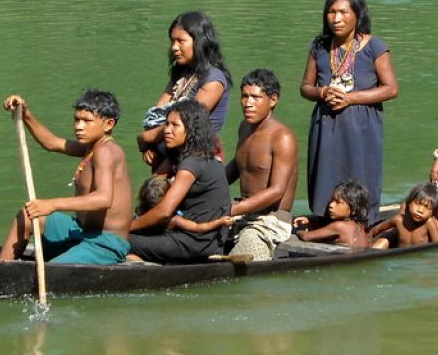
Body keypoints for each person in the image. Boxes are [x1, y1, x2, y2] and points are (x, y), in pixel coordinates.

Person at [0, 90, 133, 265]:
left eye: (87, 121)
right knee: (29, 216)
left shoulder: (106, 151)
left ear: (108, 124)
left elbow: (104, 199)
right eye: (77, 119)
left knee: (53, 272)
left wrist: (52, 204)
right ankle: (3, 268)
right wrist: (25, 114)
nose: (79, 126)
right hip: (80, 230)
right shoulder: (90, 147)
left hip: (104, 243)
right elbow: (52, 143)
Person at [300, 0, 398, 223]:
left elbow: (391, 88)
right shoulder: (319, 48)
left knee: (361, 171)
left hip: (362, 127)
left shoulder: (374, 46)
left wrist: (351, 98)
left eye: (343, 12)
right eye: (331, 12)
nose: (337, 19)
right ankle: (325, 218)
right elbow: (305, 87)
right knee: (325, 171)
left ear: (357, 14)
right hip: (326, 124)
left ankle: (364, 221)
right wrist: (322, 92)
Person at [127, 100, 232, 262]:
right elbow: (154, 183)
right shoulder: (194, 155)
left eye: (174, 126)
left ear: (191, 130)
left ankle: (143, 267)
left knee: (119, 240)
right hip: (199, 239)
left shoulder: (191, 163)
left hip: (195, 242)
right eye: (166, 125)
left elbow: (164, 211)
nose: (167, 131)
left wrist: (128, 227)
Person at [137, 11, 232, 170]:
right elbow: (157, 113)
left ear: (199, 42)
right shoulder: (182, 74)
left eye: (181, 41)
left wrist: (145, 138)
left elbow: (188, 122)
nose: (174, 47)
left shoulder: (214, 79)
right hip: (170, 153)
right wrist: (149, 146)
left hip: (195, 159)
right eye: (172, 41)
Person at [223, 69, 299, 261]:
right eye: (244, 96)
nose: (247, 103)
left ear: (272, 100)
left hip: (271, 220)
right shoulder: (244, 127)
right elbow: (239, 166)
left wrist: (233, 209)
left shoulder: (282, 137)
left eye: (255, 97)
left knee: (242, 254)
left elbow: (276, 192)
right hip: (242, 212)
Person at [293, 180, 372, 249]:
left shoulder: (339, 226)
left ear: (353, 209)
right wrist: (311, 221)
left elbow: (306, 237)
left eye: (338, 202)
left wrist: (299, 231)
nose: (331, 205)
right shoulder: (361, 228)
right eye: (332, 200)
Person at [370, 182, 438, 249]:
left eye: (427, 208)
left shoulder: (429, 223)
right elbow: (377, 229)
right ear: (409, 202)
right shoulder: (399, 220)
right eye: (417, 204)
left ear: (432, 213)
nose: (420, 210)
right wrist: (367, 239)